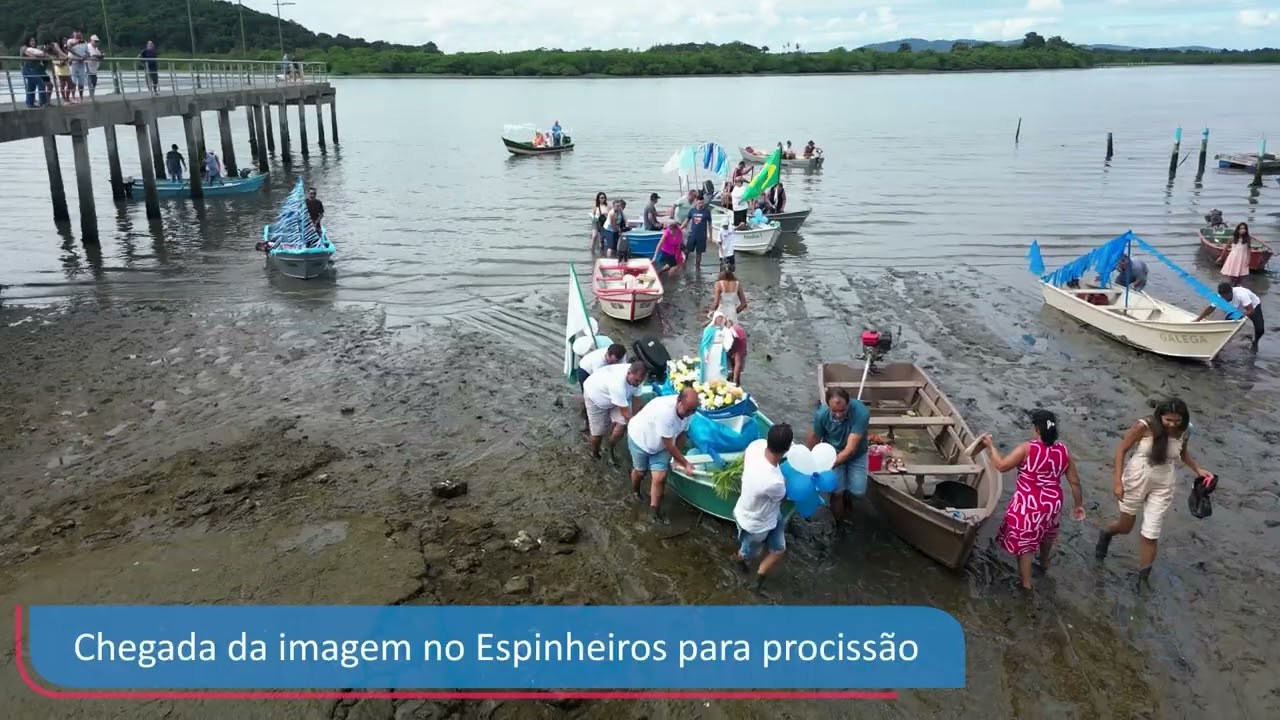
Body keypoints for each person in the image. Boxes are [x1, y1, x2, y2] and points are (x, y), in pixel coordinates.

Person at [1095, 398, 1212, 586]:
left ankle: (1143, 579)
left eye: (1177, 421)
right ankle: (1106, 534)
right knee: (1126, 527)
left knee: (1151, 533)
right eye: (1168, 420)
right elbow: (1121, 450)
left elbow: (1182, 453)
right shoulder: (1144, 426)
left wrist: (1198, 469)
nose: (1172, 425)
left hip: (1164, 482)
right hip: (1137, 478)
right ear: (1160, 416)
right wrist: (1117, 481)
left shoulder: (1185, 430)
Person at [982, 410, 1085, 591]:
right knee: (1047, 536)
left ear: (1037, 429)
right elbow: (1075, 482)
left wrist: (991, 447)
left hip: (1030, 504)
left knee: (1026, 546)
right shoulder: (1063, 451)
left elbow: (1002, 466)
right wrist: (1078, 505)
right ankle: (1044, 565)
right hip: (1053, 504)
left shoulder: (1027, 449)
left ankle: (1026, 585)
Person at [733, 424, 794, 593]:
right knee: (748, 552)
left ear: (768, 439)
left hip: (763, 513)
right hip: (756, 523)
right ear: (787, 448)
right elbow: (783, 497)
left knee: (779, 549)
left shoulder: (756, 446)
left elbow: (745, 456)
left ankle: (759, 577)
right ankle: (740, 561)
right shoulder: (774, 481)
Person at [627, 387, 699, 523]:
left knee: (660, 477)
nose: (689, 414)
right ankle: (635, 490)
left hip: (661, 446)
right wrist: (685, 463)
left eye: (693, 411)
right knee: (640, 472)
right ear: (679, 401)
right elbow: (669, 444)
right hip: (640, 440)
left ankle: (654, 511)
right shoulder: (665, 412)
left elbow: (682, 433)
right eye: (687, 410)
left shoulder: (689, 412)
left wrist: (676, 459)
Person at [807, 387, 871, 530]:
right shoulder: (821, 415)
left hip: (856, 454)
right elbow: (815, 437)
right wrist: (810, 460)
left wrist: (829, 465)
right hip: (832, 451)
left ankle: (847, 493)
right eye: (834, 411)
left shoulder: (861, 412)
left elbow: (850, 449)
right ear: (828, 407)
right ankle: (839, 523)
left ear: (848, 404)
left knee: (858, 491)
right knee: (837, 493)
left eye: (842, 411)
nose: (838, 415)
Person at [584, 360, 646, 460]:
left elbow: (636, 400)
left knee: (623, 423)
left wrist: (636, 417)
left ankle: (611, 445)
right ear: (629, 373)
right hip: (596, 396)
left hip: (617, 398)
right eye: (636, 381)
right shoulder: (618, 384)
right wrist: (637, 427)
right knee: (598, 432)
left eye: (640, 381)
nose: (638, 384)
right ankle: (595, 453)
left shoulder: (638, 377)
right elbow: (625, 412)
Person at [1195, 282, 1264, 352]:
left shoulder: (1242, 294)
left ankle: (1255, 342)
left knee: (1260, 329)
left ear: (1230, 293)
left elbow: (1250, 311)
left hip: (1253, 306)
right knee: (1226, 326)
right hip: (1236, 308)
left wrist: (1240, 317)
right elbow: (1210, 308)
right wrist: (1198, 319)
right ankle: (1221, 344)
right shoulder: (1220, 296)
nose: (1224, 300)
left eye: (1225, 297)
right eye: (1222, 297)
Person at [682, 194, 712, 271]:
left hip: (702, 236)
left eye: (702, 203)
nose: (701, 204)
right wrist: (680, 228)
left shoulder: (707, 211)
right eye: (699, 203)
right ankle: (683, 264)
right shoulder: (692, 211)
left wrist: (710, 237)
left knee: (699, 253)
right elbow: (687, 220)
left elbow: (710, 224)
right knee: (687, 251)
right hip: (692, 235)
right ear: (696, 202)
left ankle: (697, 268)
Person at [20, 37, 50, 109]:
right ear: (28, 42)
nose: (33, 42)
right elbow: (31, 55)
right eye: (31, 41)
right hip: (27, 70)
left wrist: (44, 54)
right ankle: (43, 102)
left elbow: (47, 56)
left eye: (34, 41)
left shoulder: (38, 49)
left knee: (31, 86)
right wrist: (40, 55)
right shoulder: (24, 48)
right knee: (40, 82)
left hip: (36, 70)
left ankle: (30, 103)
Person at [68, 32, 90, 103]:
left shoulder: (85, 43)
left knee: (81, 81)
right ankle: (73, 97)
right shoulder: (70, 41)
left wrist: (84, 57)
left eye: (80, 36)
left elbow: (88, 53)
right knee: (73, 81)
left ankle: (81, 97)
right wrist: (76, 43)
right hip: (73, 63)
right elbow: (68, 48)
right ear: (74, 36)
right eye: (77, 36)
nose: (79, 38)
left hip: (81, 64)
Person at [726, 319, 747, 385]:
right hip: (733, 343)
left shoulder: (739, 340)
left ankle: (735, 382)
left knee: (737, 365)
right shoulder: (725, 332)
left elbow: (738, 363)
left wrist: (734, 383)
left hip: (739, 344)